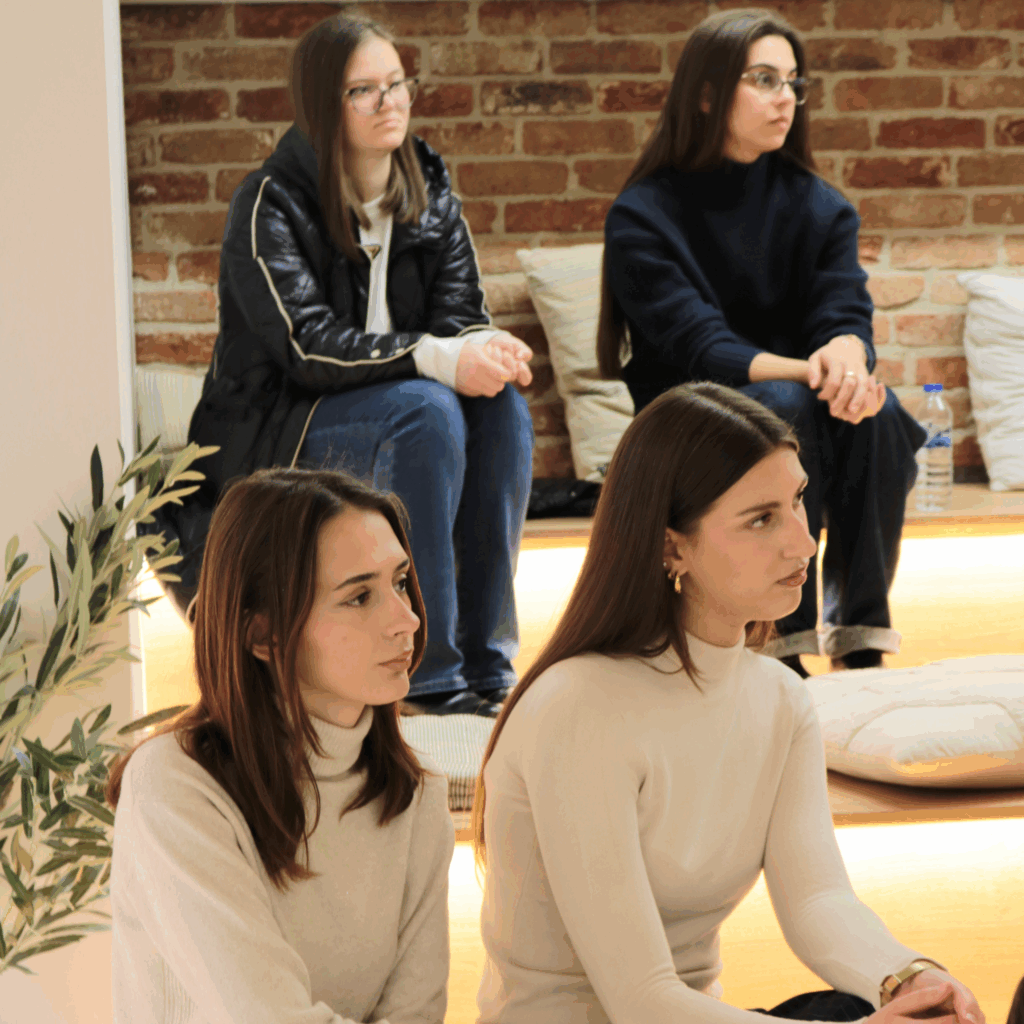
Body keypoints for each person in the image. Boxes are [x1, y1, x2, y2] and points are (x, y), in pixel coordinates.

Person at [472, 383, 983, 1024]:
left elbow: (819, 902)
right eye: (761, 519)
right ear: (670, 546)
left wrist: (911, 979)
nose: (804, 543)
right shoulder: (575, 708)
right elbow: (641, 999)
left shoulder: (780, 697)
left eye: (798, 501)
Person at [167, 13, 534, 716]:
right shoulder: (269, 204)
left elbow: (458, 320)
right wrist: (436, 356)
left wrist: (486, 349)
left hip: (400, 420)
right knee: (426, 410)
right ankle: (428, 673)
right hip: (280, 432)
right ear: (322, 106)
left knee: (502, 406)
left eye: (396, 84)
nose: (389, 102)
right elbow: (305, 346)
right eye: (364, 91)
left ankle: (489, 667)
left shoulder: (430, 192)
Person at [598, 9, 928, 676]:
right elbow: (702, 348)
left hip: (797, 399)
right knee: (785, 407)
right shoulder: (642, 213)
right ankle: (779, 643)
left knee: (881, 415)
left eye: (793, 83)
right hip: (688, 415)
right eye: (765, 80)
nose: (786, 97)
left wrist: (848, 357)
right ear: (706, 93)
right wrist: (819, 372)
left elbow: (845, 308)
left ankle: (861, 638)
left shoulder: (822, 205)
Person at [107, 467, 455, 1024]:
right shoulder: (172, 788)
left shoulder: (419, 799)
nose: (407, 618)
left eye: (399, 581)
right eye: (359, 596)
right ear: (262, 635)